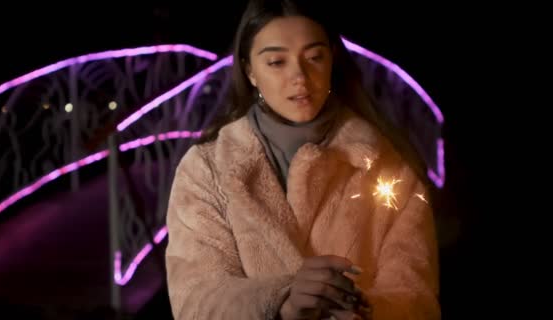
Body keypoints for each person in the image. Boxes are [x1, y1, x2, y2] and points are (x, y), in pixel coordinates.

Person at [164, 0, 440, 319]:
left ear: (332, 60)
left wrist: (366, 311)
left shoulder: (385, 166)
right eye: (277, 62)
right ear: (250, 70)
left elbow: (416, 295)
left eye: (314, 57)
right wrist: (281, 301)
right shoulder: (207, 170)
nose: (300, 76)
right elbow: (195, 299)